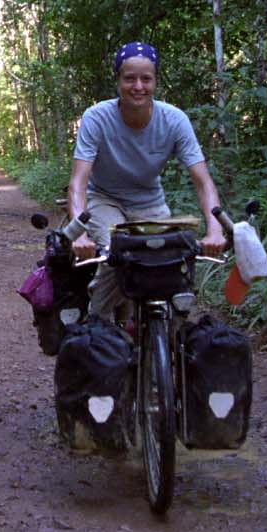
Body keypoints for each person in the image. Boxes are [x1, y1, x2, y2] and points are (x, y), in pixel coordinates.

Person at [67, 41, 227, 323]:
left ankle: (166, 336)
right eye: (130, 78)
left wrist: (215, 230)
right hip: (105, 199)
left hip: (150, 202)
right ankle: (97, 323)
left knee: (168, 265)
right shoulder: (97, 118)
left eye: (146, 79)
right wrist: (79, 234)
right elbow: (78, 182)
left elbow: (203, 181)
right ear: (118, 81)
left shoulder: (174, 120)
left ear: (155, 82)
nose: (138, 86)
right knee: (117, 252)